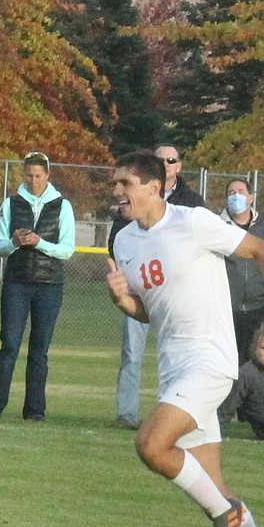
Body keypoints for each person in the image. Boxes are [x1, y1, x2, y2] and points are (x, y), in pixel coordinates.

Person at [105, 151, 264, 527]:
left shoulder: (192, 221)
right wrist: (124, 303)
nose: (117, 191)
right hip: (173, 367)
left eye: (125, 183)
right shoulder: (123, 242)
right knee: (212, 486)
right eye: (115, 183)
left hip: (211, 361)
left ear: (152, 186)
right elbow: (150, 311)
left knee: (150, 444)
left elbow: (261, 249)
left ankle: (226, 516)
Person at [111, 143, 206, 430]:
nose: (165, 163)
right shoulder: (130, 204)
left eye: (171, 159)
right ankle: (127, 413)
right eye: (160, 159)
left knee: (155, 445)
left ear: (178, 166)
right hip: (139, 289)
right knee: (132, 354)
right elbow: (121, 239)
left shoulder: (192, 206)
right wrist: (121, 293)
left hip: (181, 306)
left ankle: (185, 413)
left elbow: (258, 249)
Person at [0, 151, 75, 421]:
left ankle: (35, 410)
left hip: (49, 284)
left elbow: (67, 250)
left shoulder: (62, 206)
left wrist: (39, 242)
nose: (34, 180)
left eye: (39, 175)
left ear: (48, 175)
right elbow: (0, 248)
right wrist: (15, 242)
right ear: (23, 175)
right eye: (29, 175)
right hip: (16, 282)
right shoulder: (11, 203)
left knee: (39, 349)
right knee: (10, 345)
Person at [221, 177, 264, 361]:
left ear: (251, 198)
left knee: (256, 363)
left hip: (259, 310)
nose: (236, 196)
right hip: (226, 310)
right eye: (231, 193)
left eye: (241, 192)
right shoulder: (217, 227)